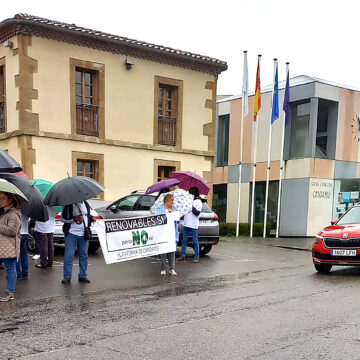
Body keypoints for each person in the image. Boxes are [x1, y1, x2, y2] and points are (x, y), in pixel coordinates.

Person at [60, 200, 93, 284]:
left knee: (83, 255)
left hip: (83, 234)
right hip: (71, 234)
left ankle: (83, 276)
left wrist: (91, 219)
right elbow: (62, 219)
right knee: (69, 256)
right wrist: (74, 218)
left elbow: (87, 216)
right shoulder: (68, 204)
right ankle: (67, 277)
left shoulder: (85, 203)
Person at [0, 192, 21, 301]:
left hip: (9, 247)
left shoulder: (13, 214)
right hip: (1, 246)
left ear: (10, 200)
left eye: (3, 198)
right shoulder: (3, 212)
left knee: (10, 269)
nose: (0, 200)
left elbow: (12, 231)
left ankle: (10, 292)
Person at [155, 193, 178, 276]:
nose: (173, 202)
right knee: (163, 251)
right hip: (163, 234)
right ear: (167, 201)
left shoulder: (174, 209)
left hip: (172, 234)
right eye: (171, 200)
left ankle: (172, 269)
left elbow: (177, 219)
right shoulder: (159, 209)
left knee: (172, 251)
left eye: (173, 200)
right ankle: (163, 268)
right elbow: (156, 218)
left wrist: (173, 214)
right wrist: (166, 214)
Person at [178, 187, 202, 263]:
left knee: (195, 240)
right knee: (184, 240)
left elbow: (197, 213)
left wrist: (191, 206)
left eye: (191, 192)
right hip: (186, 223)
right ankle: (182, 255)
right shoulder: (188, 200)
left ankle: (196, 256)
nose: (189, 193)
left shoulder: (198, 202)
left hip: (194, 224)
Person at [16, 214, 29, 279]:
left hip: (17, 233)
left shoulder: (15, 209)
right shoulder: (28, 209)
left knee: (17, 254)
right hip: (25, 233)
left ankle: (18, 273)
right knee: (24, 254)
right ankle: (25, 273)